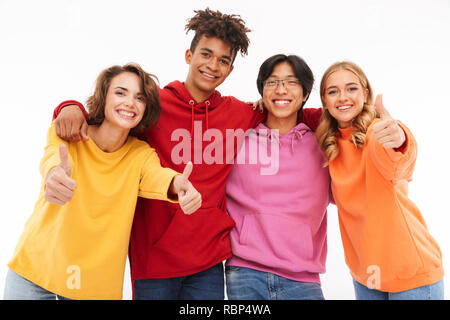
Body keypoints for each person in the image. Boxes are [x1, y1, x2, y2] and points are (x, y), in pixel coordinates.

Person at [4, 63, 201, 300]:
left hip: (92, 288)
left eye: (139, 97)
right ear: (103, 97)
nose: (129, 102)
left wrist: (178, 184)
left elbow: (156, 176)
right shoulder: (69, 133)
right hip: (35, 270)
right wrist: (55, 174)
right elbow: (52, 158)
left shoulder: (140, 154)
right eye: (120, 92)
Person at [315, 61, 444, 300]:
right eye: (333, 91)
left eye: (351, 89)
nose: (343, 97)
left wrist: (399, 138)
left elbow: (400, 163)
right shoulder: (330, 143)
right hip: (367, 274)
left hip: (409, 274)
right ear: (324, 101)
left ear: (365, 94)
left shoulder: (377, 133)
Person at [225, 54, 332, 300]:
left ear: (305, 94)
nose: (281, 89)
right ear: (262, 91)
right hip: (245, 272)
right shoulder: (239, 141)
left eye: (291, 82)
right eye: (272, 82)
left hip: (304, 277)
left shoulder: (323, 145)